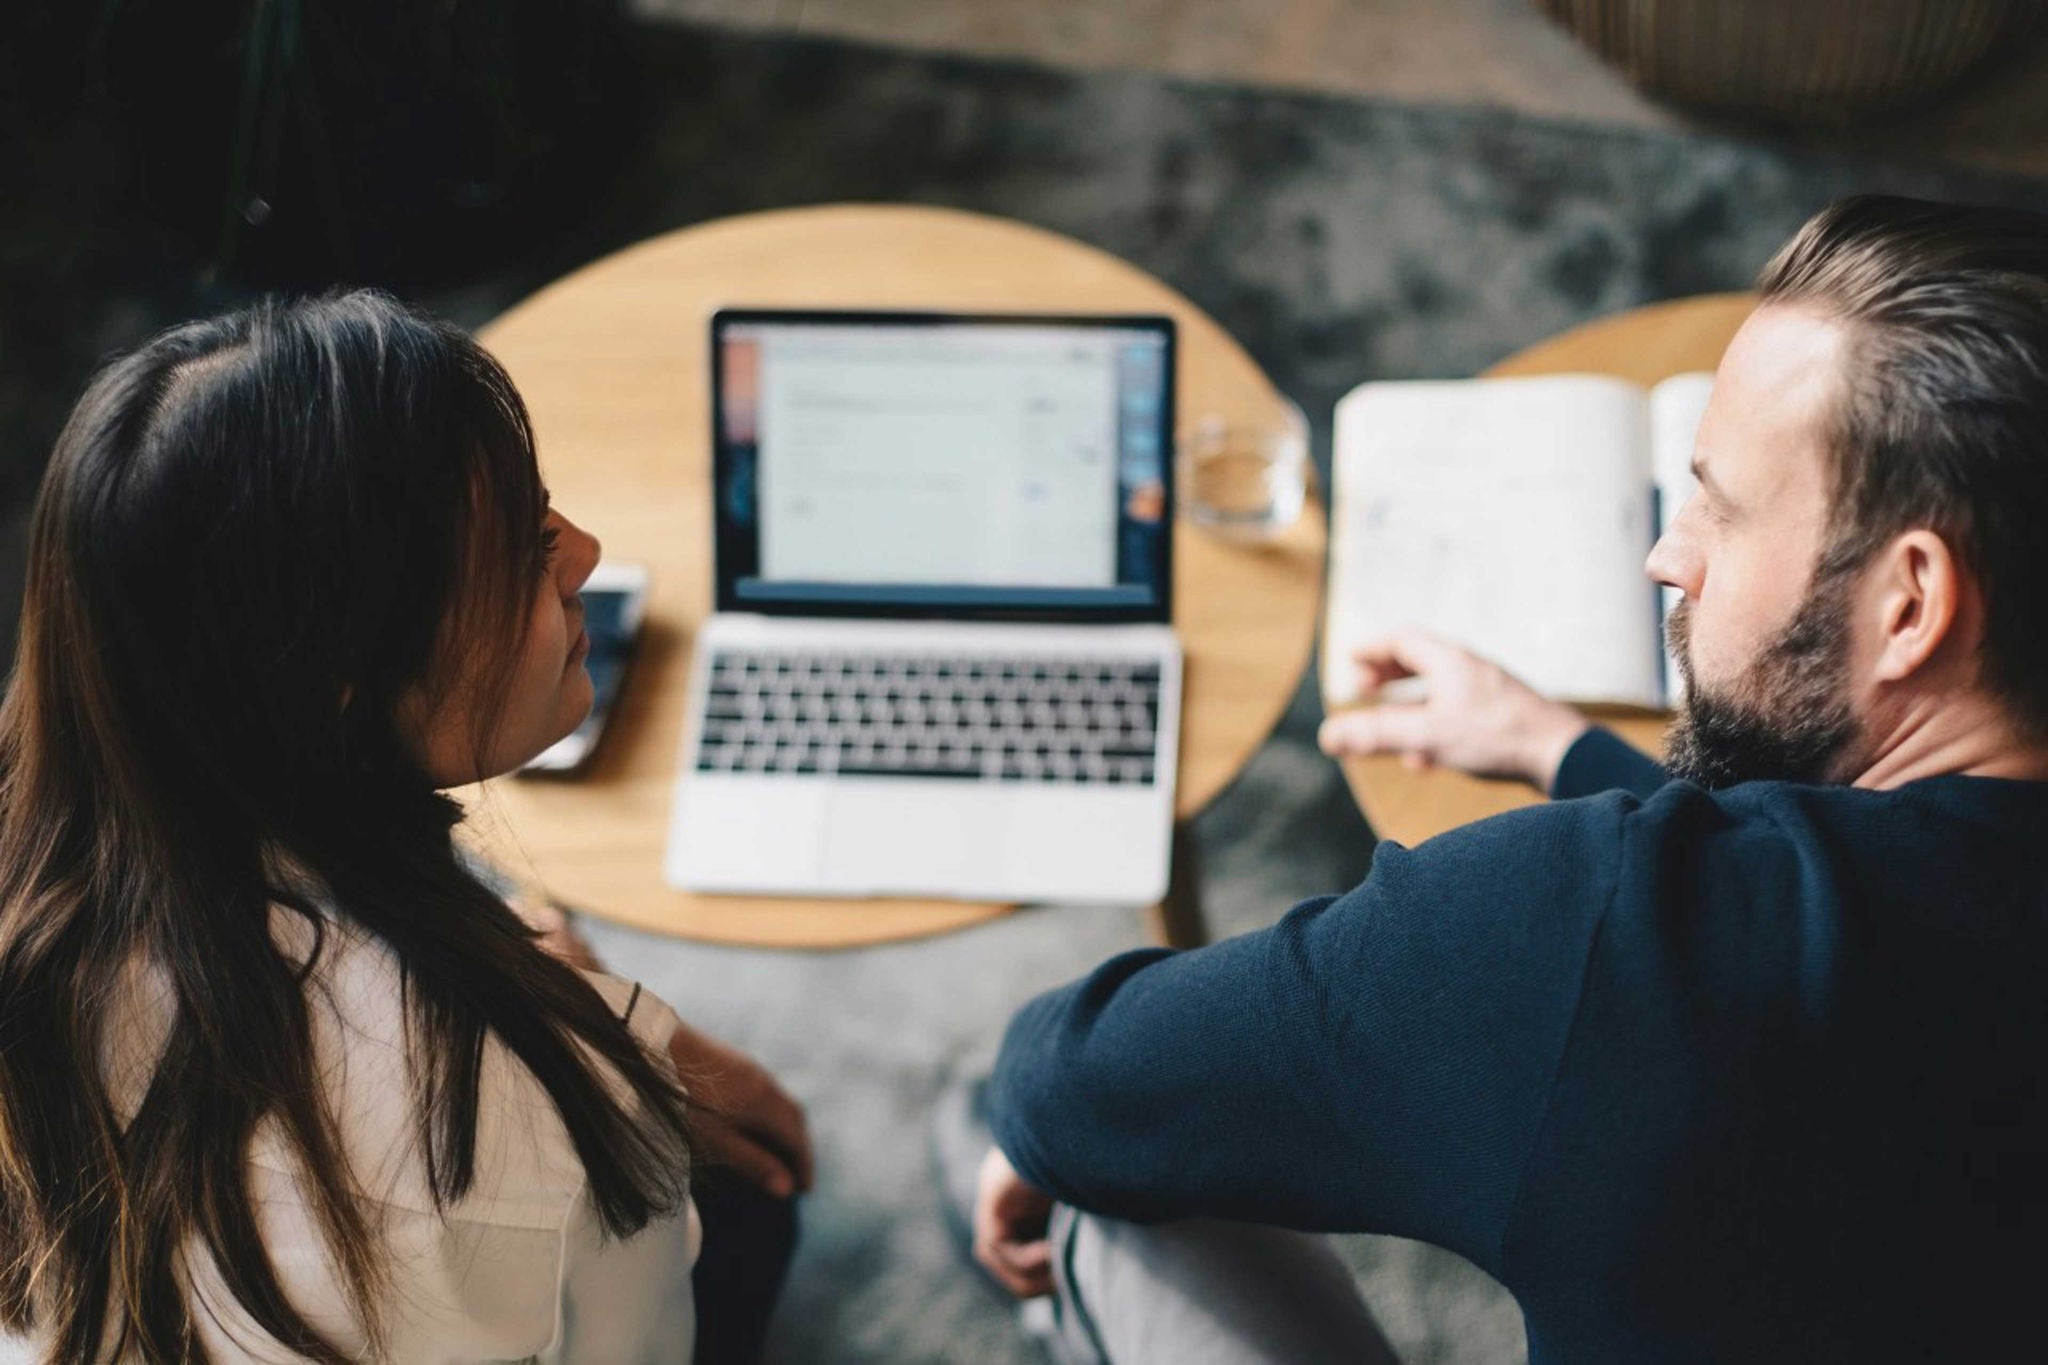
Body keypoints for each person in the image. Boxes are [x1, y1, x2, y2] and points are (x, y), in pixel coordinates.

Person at [956, 194, 2048, 1363]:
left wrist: (1020, 1128)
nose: (1665, 554)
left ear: (1911, 605)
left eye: (1718, 512)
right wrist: (1558, 747)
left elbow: (1091, 1077)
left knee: (1108, 1200)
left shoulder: (1585, 932)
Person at [0, 292, 810, 1363]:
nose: (585, 555)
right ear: (342, 679)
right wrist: (611, 1043)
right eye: (526, 551)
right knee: (759, 1197)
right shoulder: (534, 1107)